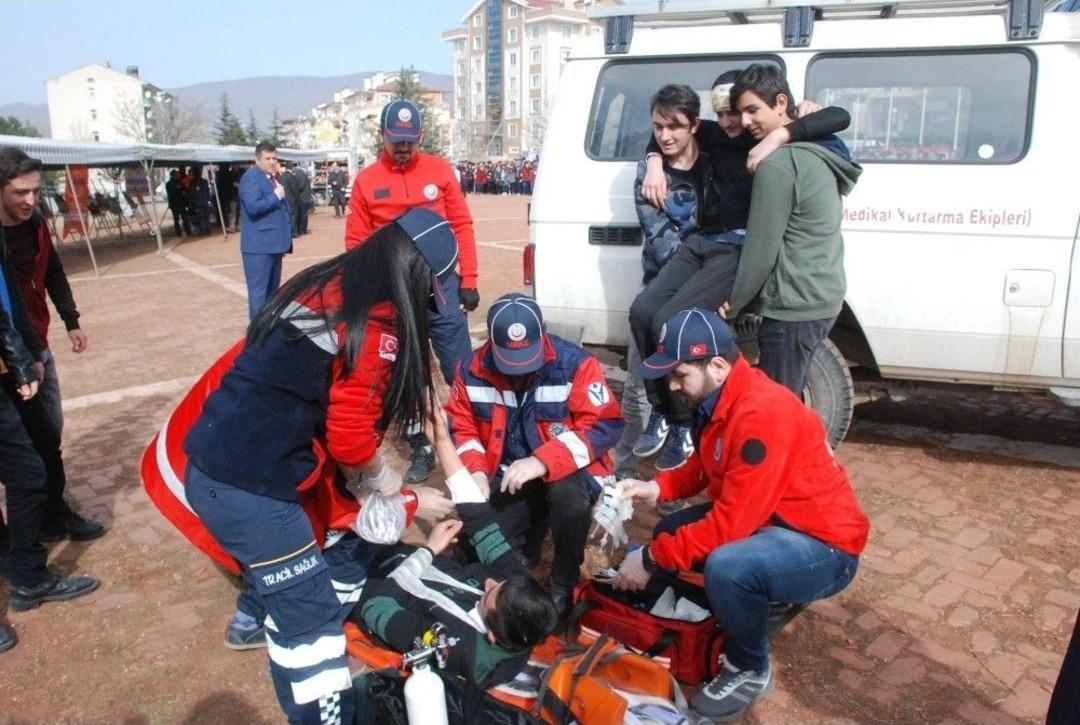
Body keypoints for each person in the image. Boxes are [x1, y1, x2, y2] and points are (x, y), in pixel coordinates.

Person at [183, 208, 457, 724]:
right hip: (252, 489)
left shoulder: (327, 282)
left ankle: (260, 617)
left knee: (308, 577)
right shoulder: (378, 324)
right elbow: (350, 439)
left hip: (222, 461)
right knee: (313, 630)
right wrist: (389, 483)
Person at [616, 308, 869, 722]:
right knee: (671, 529)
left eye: (680, 375)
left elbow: (730, 525)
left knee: (728, 568)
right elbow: (706, 462)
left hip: (825, 546)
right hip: (774, 521)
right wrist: (658, 488)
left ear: (716, 366)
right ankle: (747, 605)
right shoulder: (724, 395)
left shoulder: (761, 414)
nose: (673, 385)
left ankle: (748, 668)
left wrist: (648, 559)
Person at [631, 72, 852, 473]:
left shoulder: (766, 139)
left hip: (740, 249)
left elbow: (839, 118)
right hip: (705, 240)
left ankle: (684, 425)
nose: (733, 122)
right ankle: (663, 412)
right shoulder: (719, 133)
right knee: (643, 310)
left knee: (669, 322)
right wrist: (653, 162)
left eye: (739, 113)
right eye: (723, 114)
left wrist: (782, 134)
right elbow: (670, 126)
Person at [444, 293, 624, 617]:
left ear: (543, 334)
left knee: (568, 498)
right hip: (509, 474)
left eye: (528, 357)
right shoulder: (470, 369)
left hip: (567, 472)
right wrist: (477, 472)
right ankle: (530, 538)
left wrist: (543, 461)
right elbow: (463, 428)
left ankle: (563, 581)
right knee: (478, 550)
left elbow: (604, 424)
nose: (519, 370)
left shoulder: (576, 365)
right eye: (510, 360)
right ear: (491, 344)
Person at [352, 409, 558, 690]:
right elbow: (481, 520)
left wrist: (428, 551)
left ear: (492, 636)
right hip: (392, 552)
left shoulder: (455, 646)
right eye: (498, 584)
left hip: (360, 582)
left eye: (488, 594)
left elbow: (376, 609)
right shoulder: (518, 592)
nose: (489, 581)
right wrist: (441, 440)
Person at [344, 99, 478, 485]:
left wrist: (469, 280)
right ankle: (421, 442)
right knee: (405, 371)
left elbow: (461, 224)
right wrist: (366, 292)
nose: (403, 147)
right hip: (394, 291)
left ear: (420, 136)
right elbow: (356, 243)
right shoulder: (366, 181)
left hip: (441, 285)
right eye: (395, 140)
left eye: (410, 140)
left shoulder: (439, 170)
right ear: (382, 136)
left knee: (460, 366)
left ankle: (470, 435)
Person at [720, 64, 862, 394]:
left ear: (781, 103)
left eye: (753, 110)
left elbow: (760, 250)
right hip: (821, 297)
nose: (745, 122)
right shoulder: (819, 149)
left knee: (778, 407)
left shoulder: (778, 164)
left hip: (793, 306)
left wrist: (733, 304)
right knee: (790, 401)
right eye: (741, 113)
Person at [0, 147, 104, 543]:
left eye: (35, 191)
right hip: (9, 357)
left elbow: (54, 273)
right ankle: (29, 531)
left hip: (36, 345)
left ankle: (53, 514)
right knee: (22, 450)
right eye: (19, 193)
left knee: (49, 434)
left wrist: (71, 320)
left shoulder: (38, 224)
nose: (30, 200)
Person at [0, 235, 98, 653]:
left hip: (12, 365)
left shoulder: (23, 232)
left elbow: (10, 303)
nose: (29, 204)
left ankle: (24, 569)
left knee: (33, 464)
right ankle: (24, 573)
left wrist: (26, 355)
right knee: (27, 472)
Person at [238, 141, 292, 321]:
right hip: (259, 248)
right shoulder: (251, 178)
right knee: (259, 295)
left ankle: (268, 329)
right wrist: (275, 196)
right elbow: (253, 207)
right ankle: (257, 332)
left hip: (273, 245)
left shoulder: (271, 178)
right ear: (257, 160)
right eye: (267, 158)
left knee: (272, 294)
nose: (272, 162)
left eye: (274, 158)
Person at [165, 169, 190, 237]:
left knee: (185, 218)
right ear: (173, 175)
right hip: (175, 204)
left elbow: (184, 190)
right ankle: (178, 233)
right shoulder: (169, 184)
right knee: (176, 219)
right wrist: (180, 191)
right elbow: (173, 193)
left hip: (182, 203)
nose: (178, 176)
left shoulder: (180, 182)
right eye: (177, 175)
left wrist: (183, 192)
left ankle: (188, 231)